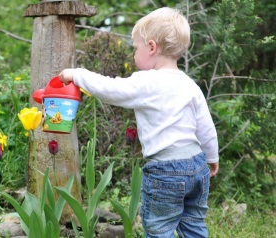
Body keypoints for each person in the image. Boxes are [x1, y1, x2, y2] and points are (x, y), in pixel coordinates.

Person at [58, 7, 219, 238]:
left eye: (136, 48)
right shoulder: (189, 85)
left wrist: (76, 74)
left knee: (159, 229)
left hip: (166, 170)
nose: (134, 54)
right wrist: (212, 158)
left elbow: (111, 89)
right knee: (193, 226)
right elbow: (206, 127)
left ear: (152, 47)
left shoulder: (147, 82)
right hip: (197, 166)